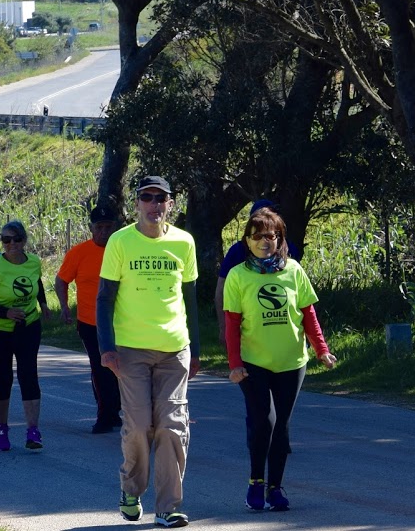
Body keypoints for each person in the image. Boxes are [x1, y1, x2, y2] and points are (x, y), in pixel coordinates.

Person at [96, 176, 201, 528]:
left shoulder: (184, 242)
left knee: (172, 426)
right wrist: (107, 348)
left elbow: (190, 300)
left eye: (160, 198)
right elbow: (104, 299)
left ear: (170, 203)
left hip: (174, 350)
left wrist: (196, 350)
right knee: (139, 424)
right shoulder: (120, 241)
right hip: (131, 350)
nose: (154, 204)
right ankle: (131, 489)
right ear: (137, 203)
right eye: (147, 197)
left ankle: (168, 507)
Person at [223, 208, 336, 512]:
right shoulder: (238, 275)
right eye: (257, 236)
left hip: (291, 362)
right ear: (247, 241)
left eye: (271, 236)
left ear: (280, 239)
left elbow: (308, 314)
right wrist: (235, 364)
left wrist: (321, 350)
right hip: (253, 363)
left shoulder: (294, 271)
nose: (264, 241)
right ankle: (255, 482)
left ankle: (275, 488)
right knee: (264, 421)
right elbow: (232, 325)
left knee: (282, 425)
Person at [0, 220, 48, 451]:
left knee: (29, 375)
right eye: (6, 240)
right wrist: (6, 312)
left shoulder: (34, 261)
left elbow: (37, 282)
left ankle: (33, 430)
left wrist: (43, 304)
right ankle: (1, 426)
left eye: (16, 239)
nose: (12, 244)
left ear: (24, 240)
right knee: (2, 378)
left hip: (28, 326)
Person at [55, 203, 123, 433]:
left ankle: (114, 411)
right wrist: (64, 306)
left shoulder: (123, 250)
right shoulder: (78, 253)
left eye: (108, 227)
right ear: (91, 228)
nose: (103, 232)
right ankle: (105, 415)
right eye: (99, 227)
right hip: (90, 322)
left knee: (121, 368)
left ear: (115, 227)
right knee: (101, 367)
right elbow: (61, 280)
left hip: (121, 322)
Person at [217, 199, 304, 343]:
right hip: (249, 334)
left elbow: (301, 293)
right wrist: (223, 326)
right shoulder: (237, 251)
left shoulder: (288, 249)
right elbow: (221, 289)